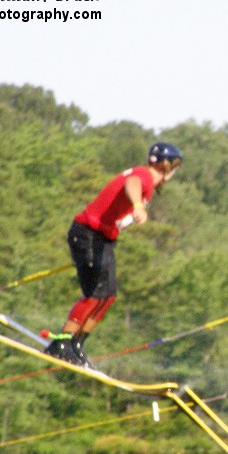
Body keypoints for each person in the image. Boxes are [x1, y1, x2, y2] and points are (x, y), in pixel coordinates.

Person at [43, 142, 183, 368]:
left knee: (107, 296)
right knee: (94, 294)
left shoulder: (145, 178)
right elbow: (132, 183)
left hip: (102, 239)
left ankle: (76, 344)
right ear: (170, 168)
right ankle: (61, 344)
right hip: (88, 233)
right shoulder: (144, 176)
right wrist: (138, 205)